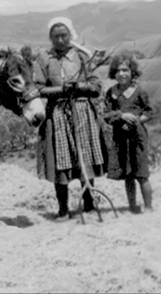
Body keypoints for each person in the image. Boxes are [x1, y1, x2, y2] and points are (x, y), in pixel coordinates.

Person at [33, 17, 108, 221]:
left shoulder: (82, 57)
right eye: (55, 36)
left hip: (83, 111)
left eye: (63, 35)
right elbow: (38, 88)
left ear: (70, 35)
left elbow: (96, 85)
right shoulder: (43, 58)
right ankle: (63, 210)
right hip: (57, 112)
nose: (59, 40)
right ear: (50, 38)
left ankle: (90, 204)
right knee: (61, 160)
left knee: (86, 157)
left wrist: (80, 87)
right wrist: (60, 89)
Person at [103, 52, 154, 213]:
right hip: (120, 138)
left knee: (141, 173)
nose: (121, 74)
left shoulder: (139, 91)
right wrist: (121, 116)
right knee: (128, 174)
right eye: (117, 71)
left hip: (137, 138)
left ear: (132, 72)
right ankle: (132, 207)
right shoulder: (111, 93)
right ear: (113, 73)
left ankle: (148, 207)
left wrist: (136, 121)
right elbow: (106, 115)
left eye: (125, 70)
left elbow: (149, 112)